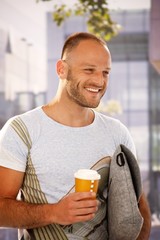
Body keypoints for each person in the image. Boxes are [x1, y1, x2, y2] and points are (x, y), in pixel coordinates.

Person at [0, 32, 151, 239]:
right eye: (89, 70)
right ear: (61, 69)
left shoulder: (117, 133)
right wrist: (54, 213)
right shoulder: (21, 130)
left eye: (105, 72)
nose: (99, 81)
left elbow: (139, 208)